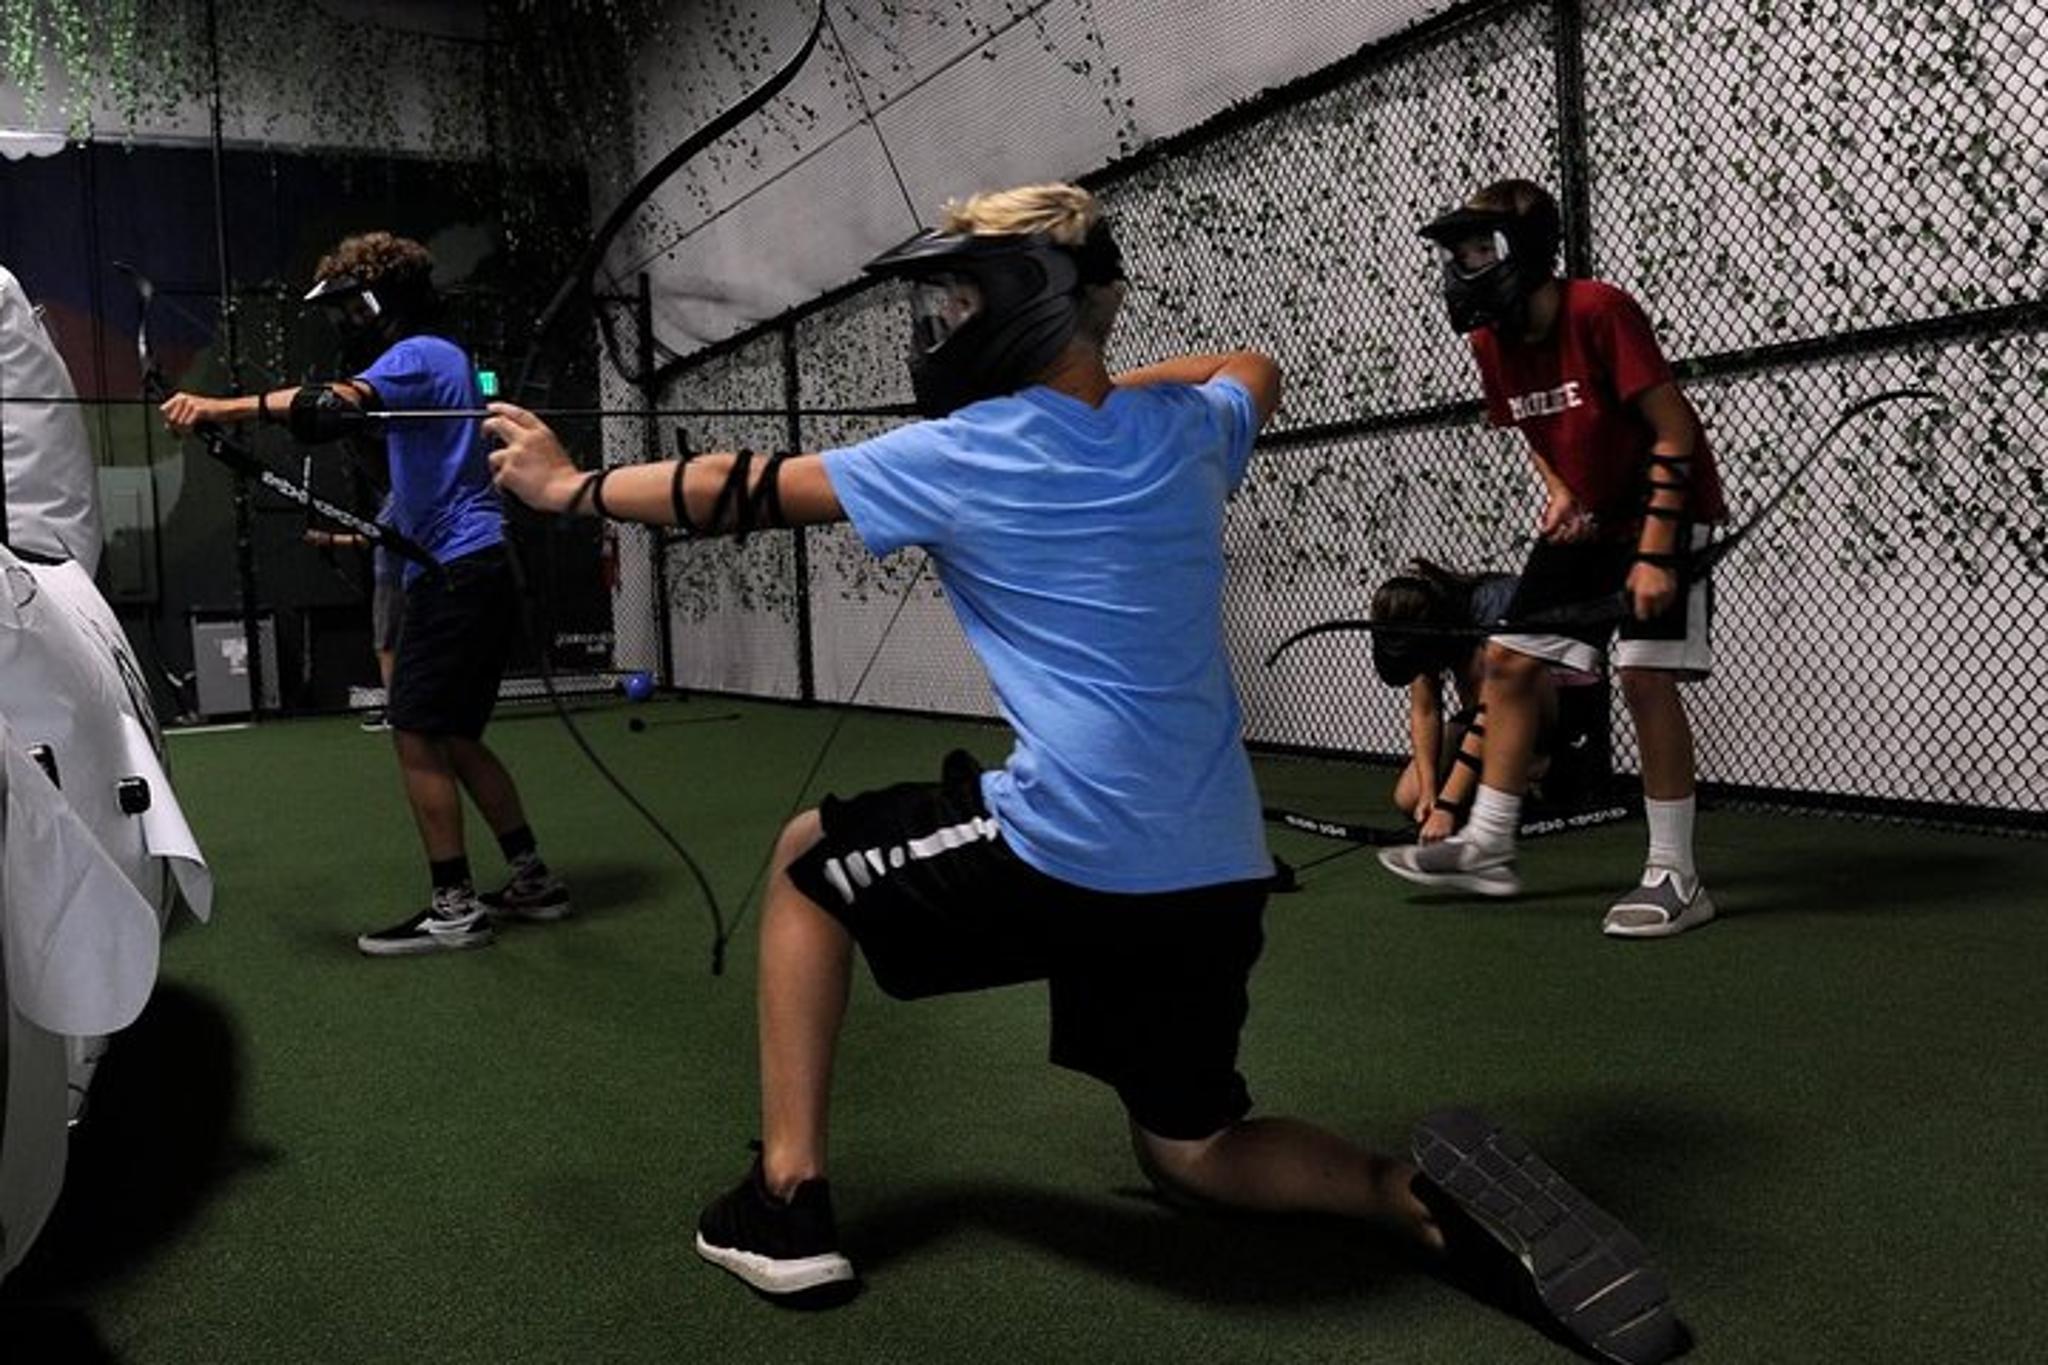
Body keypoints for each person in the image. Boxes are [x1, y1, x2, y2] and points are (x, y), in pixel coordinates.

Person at [484, 183, 1681, 1365]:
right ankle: (1402, 1196)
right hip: (1214, 869)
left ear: (1014, 304)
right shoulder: (1189, 434)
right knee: (1195, 1148)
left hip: (1072, 851)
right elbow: (1250, 365)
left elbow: (740, 490)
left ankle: (785, 1199)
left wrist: (559, 488)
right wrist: (1104, 383)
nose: (936, 324)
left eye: (955, 297)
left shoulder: (956, 451)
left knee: (809, 860)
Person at [160, 231, 568, 953]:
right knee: (457, 736)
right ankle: (531, 878)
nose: (347, 324)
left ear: (384, 302)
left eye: (353, 309)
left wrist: (219, 411)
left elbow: (331, 401)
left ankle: (454, 907)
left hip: (457, 569)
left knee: (416, 731)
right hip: (466, 565)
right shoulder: (435, 357)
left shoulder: (418, 354)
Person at [1380, 179, 1727, 937]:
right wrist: (1563, 490)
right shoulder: (1491, 342)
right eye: (1457, 253)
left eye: (1481, 248)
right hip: (1592, 518)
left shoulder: (1599, 310)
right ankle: (1488, 845)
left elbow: (1673, 431)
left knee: (1643, 674)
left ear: (1528, 250)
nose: (1466, 267)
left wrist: (1657, 553)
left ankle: (1678, 875)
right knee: (1507, 661)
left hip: (1664, 508)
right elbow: (1535, 431)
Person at [304, 484, 402, 731]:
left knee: (387, 646)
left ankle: (398, 711)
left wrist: (329, 540)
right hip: (395, 577)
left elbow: (374, 537)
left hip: (394, 579)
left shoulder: (402, 493)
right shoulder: (399, 493)